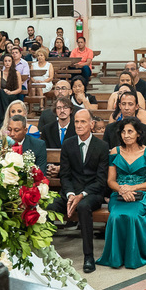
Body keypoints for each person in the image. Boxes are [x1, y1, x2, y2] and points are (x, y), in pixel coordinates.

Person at [46, 109, 110, 273]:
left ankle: (88, 256)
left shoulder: (102, 146)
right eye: (76, 122)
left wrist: (82, 195)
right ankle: (45, 253)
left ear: (91, 124)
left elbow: (101, 180)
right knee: (49, 208)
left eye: (83, 122)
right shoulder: (68, 144)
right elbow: (65, 175)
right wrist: (70, 194)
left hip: (92, 193)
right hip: (70, 191)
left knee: (83, 207)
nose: (79, 125)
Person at [97, 118, 146, 270]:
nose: (126, 135)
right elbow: (111, 181)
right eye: (123, 132)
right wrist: (122, 189)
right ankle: (116, 257)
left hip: (142, 194)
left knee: (132, 216)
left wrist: (133, 188)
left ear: (138, 133)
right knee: (115, 216)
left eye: (130, 131)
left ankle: (134, 257)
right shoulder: (115, 151)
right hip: (119, 195)